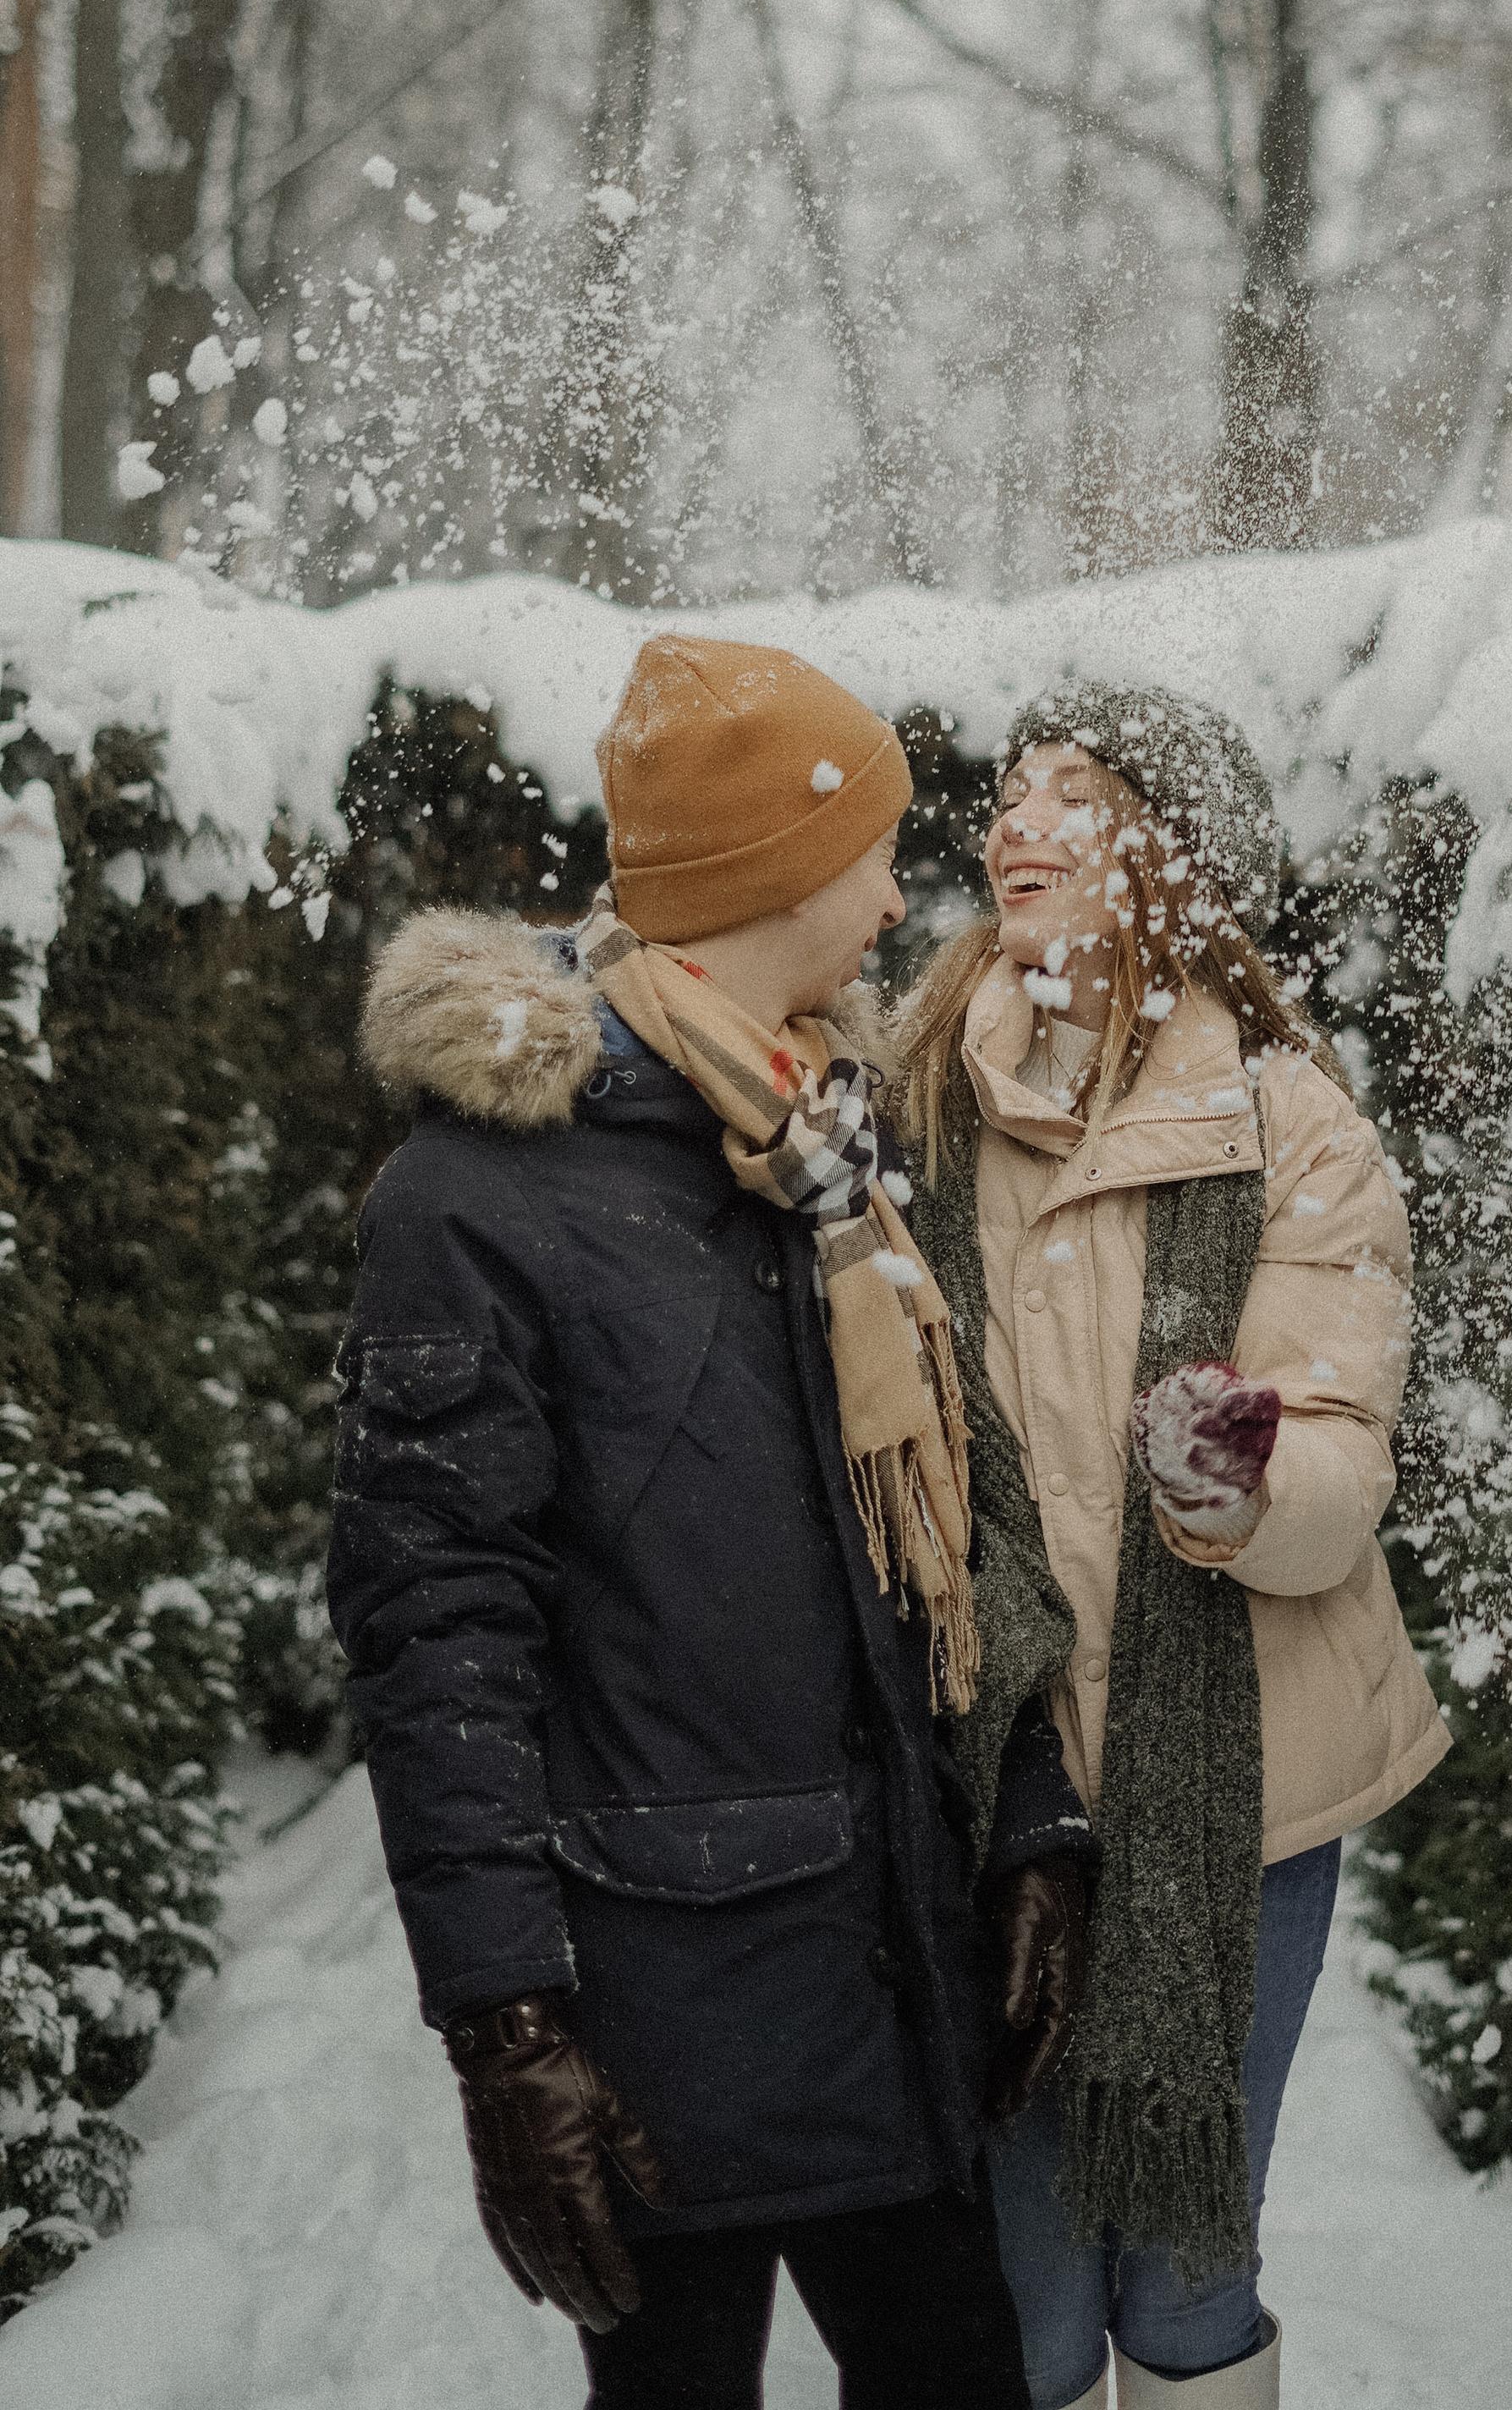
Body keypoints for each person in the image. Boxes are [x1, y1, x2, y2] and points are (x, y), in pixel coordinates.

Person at [329, 636, 1095, 2410]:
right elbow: (434, 1631)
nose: (904, 894)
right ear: (774, 870)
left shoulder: (826, 1140)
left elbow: (943, 1518)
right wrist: (506, 2030)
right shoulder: (476, 1200)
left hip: (895, 1957)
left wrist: (1026, 1812)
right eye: (874, 851)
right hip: (662, 2011)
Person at [896, 683, 1452, 2410]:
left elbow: (1340, 1449)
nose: (1019, 822)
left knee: (1192, 2266)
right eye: (1011, 790)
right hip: (1000, 1781)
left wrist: (1239, 1490)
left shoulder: (1287, 1118)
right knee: (1030, 2280)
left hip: (1245, 1785)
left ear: (1171, 853)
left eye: (1076, 794)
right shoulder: (908, 1102)